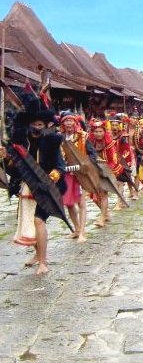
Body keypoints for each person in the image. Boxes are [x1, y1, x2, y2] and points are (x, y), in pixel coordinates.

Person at [0, 96, 67, 274]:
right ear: (29, 124)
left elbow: (61, 167)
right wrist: (6, 158)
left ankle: (43, 262)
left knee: (38, 221)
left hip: (46, 189)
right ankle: (38, 254)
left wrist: (48, 180)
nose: (37, 127)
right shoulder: (21, 143)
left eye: (40, 125)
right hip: (27, 188)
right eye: (34, 124)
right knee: (29, 221)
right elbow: (15, 171)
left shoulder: (53, 142)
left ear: (45, 126)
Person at [59, 112, 97, 242]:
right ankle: (76, 229)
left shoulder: (83, 136)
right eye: (66, 121)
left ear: (75, 123)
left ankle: (82, 232)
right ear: (62, 123)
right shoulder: (59, 137)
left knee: (81, 202)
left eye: (71, 121)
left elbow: (92, 155)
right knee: (69, 203)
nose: (68, 123)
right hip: (66, 173)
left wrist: (85, 164)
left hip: (81, 174)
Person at [88, 120, 126, 227]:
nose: (98, 134)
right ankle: (106, 213)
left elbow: (113, 160)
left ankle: (102, 218)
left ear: (104, 132)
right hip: (93, 173)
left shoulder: (109, 144)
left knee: (103, 195)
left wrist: (105, 170)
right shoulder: (90, 143)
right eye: (96, 132)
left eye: (100, 131)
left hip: (106, 172)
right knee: (95, 198)